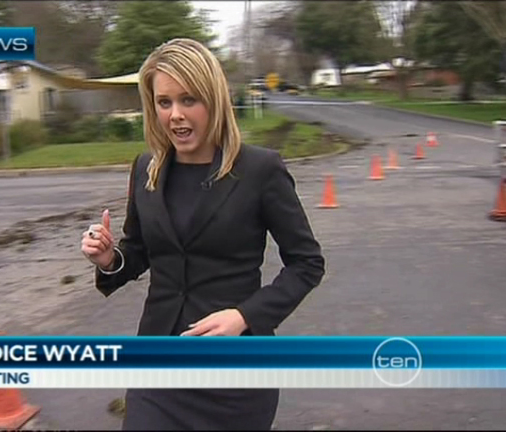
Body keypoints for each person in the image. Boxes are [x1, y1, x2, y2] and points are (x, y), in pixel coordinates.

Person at [80, 38, 325, 431]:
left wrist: (244, 316)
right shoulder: (146, 168)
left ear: (214, 99)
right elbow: (139, 250)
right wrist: (109, 259)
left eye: (188, 100)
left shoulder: (260, 170)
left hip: (235, 373)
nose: (175, 115)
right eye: (164, 102)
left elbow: (307, 263)